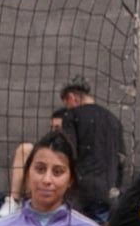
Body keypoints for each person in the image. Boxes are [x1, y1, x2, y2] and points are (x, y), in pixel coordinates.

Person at [50, 79, 127, 216]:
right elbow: (121, 159)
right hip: (110, 195)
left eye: (66, 103)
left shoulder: (71, 115)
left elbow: (67, 153)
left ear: (71, 98)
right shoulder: (114, 120)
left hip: (81, 196)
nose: (66, 108)